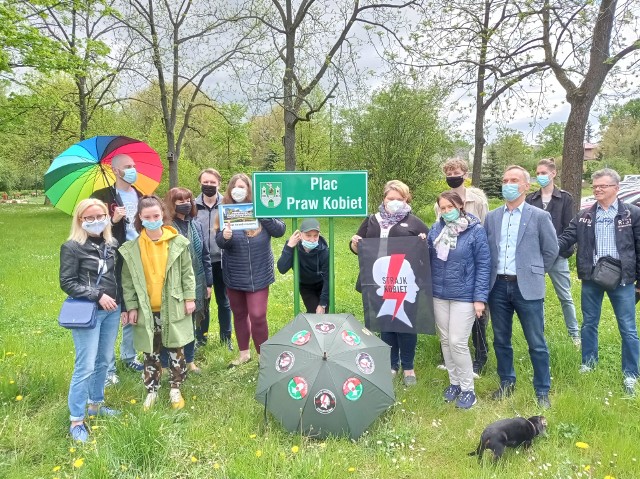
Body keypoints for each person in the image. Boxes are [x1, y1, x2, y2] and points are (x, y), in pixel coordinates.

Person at [558, 168, 640, 396]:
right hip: (592, 277)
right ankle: (588, 363)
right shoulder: (585, 215)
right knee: (589, 323)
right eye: (595, 186)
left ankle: (631, 375)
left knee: (628, 329)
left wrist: (639, 283)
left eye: (602, 186)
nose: (597, 190)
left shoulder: (632, 214)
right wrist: (547, 248)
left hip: (623, 280)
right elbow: (567, 237)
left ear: (616, 188)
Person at [485, 165, 558, 409]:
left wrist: (533, 271)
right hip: (497, 287)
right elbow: (487, 250)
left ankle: (542, 390)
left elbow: (551, 250)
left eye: (514, 180)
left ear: (526, 185)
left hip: (527, 287)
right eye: (505, 179)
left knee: (536, 342)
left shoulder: (539, 216)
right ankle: (507, 381)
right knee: (500, 339)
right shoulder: (493, 217)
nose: (508, 184)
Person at [119, 195, 196, 410]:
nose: (152, 219)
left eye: (156, 215)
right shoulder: (132, 248)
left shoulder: (178, 243)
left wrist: (190, 298)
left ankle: (175, 388)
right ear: (140, 219)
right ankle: (151, 390)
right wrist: (131, 306)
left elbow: (187, 273)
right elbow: (127, 281)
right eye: (147, 217)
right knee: (150, 352)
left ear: (163, 215)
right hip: (146, 309)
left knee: (175, 348)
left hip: (173, 305)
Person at [350, 180, 428, 387]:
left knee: (405, 325)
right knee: (386, 323)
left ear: (406, 200)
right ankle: (391, 365)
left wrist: (423, 242)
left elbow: (428, 250)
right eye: (390, 198)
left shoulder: (414, 223)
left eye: (399, 199)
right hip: (378, 281)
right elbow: (357, 248)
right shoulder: (371, 220)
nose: (394, 202)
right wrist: (354, 243)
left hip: (404, 282)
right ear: (383, 199)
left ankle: (408, 367)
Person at [60, 198, 121, 442]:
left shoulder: (111, 243)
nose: (96, 221)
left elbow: (116, 277)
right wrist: (97, 295)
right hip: (88, 311)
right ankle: (76, 419)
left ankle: (95, 405)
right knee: (85, 365)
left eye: (100, 216)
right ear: (80, 220)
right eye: (89, 217)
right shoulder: (72, 246)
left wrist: (122, 304)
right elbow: (67, 282)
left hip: (113, 310)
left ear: (107, 217)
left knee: (104, 360)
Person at [215, 173, 286, 367]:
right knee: (239, 314)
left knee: (257, 315)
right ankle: (244, 353)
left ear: (250, 190)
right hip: (234, 273)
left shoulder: (264, 207)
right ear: (230, 190)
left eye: (243, 187)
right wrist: (226, 236)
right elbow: (220, 242)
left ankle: (263, 356)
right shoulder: (225, 212)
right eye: (235, 187)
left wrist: (261, 213)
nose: (239, 190)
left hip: (259, 273)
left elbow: (280, 230)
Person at [428, 191, 490, 409]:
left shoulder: (475, 231)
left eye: (450, 207)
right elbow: (425, 256)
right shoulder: (436, 229)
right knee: (445, 340)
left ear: (461, 205)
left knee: (457, 342)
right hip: (439, 293)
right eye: (442, 208)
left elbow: (483, 265)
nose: (446, 211)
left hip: (464, 295)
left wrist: (480, 298)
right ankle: (454, 383)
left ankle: (468, 389)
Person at [435, 157, 490, 376]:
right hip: (449, 262)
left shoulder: (477, 199)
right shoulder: (442, 201)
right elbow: (439, 230)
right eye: (448, 173)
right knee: (449, 322)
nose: (452, 176)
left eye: (455, 172)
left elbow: (484, 228)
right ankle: (450, 358)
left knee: (477, 317)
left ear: (464, 174)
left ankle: (480, 358)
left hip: (471, 261)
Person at [92, 153, 144, 385]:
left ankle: (129, 356)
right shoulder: (102, 197)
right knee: (113, 312)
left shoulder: (141, 196)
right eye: (127, 166)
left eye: (134, 166)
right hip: (114, 262)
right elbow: (91, 233)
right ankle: (109, 367)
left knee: (135, 308)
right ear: (115, 170)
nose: (132, 170)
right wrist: (111, 221)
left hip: (139, 259)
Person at [526, 158, 580, 345]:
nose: (540, 176)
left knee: (565, 296)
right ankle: (538, 333)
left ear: (553, 173)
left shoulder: (565, 198)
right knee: (536, 297)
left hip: (558, 255)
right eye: (538, 173)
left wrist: (555, 249)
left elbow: (569, 228)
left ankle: (574, 335)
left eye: (543, 173)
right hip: (535, 256)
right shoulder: (531, 199)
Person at [164, 187, 213, 374]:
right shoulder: (166, 227)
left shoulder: (196, 225)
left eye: (188, 200)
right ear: (171, 203)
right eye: (180, 200)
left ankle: (190, 360)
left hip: (197, 281)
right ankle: (168, 363)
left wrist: (208, 283)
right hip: (174, 284)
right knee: (173, 323)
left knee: (191, 323)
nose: (185, 204)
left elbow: (205, 255)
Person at [194, 169, 233, 350]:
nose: (208, 186)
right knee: (203, 302)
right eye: (205, 182)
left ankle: (227, 339)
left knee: (224, 301)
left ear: (219, 183)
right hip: (202, 262)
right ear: (200, 183)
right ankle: (201, 339)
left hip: (223, 260)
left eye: (212, 182)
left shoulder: (227, 204)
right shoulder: (192, 206)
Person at [277, 218, 329, 314]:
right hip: (306, 285)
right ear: (300, 235)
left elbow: (328, 279)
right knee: (313, 312)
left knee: (324, 313)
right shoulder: (293, 245)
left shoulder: (324, 251)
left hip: (322, 284)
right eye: (308, 235)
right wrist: (289, 247)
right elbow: (282, 268)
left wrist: (322, 303)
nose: (312, 240)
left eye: (315, 236)